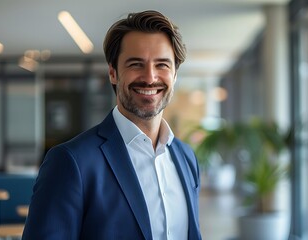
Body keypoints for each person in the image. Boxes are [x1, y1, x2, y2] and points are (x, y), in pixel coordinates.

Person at [22, 10, 202, 240]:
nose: (150, 77)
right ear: (113, 73)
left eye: (162, 65)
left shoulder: (186, 158)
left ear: (175, 75)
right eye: (136, 64)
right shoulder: (71, 161)